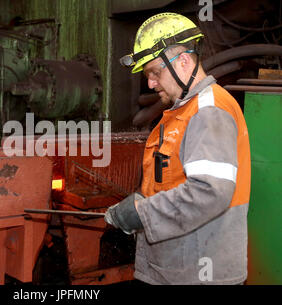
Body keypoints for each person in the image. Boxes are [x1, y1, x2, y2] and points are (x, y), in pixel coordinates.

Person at [105, 12, 251, 285]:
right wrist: (139, 201)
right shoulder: (180, 113)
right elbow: (170, 182)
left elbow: (209, 192)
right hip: (175, 270)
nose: (150, 83)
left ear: (183, 61)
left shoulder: (209, 111)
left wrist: (142, 214)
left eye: (154, 73)